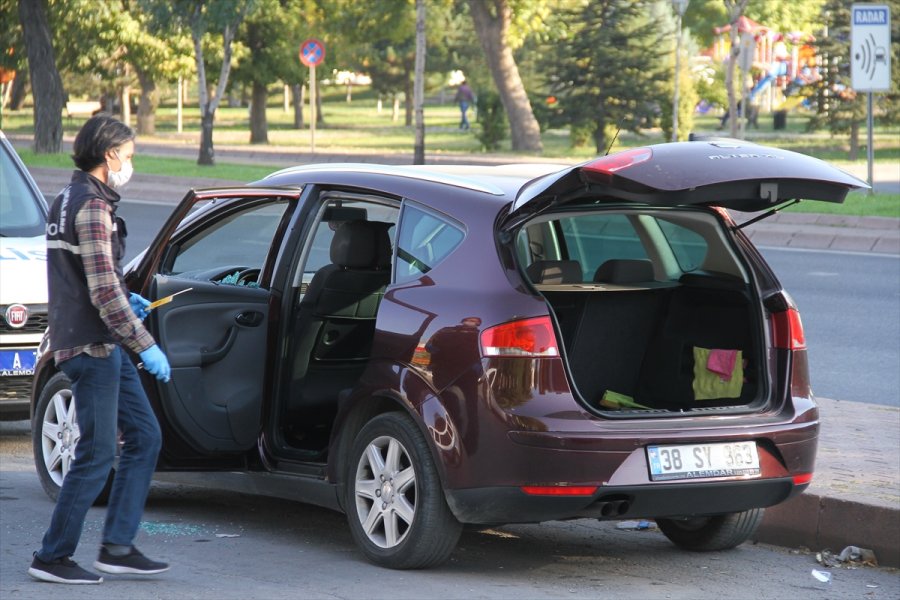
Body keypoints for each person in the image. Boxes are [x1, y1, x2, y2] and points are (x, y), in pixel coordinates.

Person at [29, 114, 171, 585]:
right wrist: (145, 343)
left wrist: (123, 300)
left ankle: (118, 546)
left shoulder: (65, 199)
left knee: (145, 436)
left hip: (100, 341)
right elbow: (103, 294)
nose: (131, 165)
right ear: (109, 156)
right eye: (128, 156)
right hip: (91, 346)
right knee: (95, 453)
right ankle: (52, 555)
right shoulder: (91, 206)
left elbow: (95, 278)